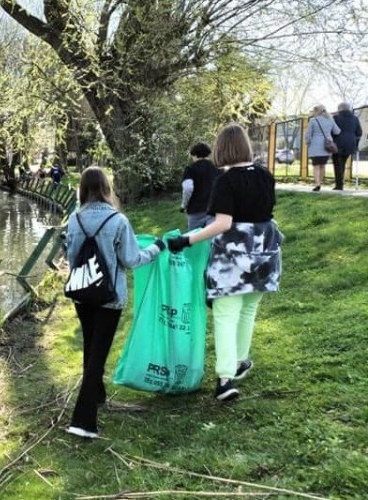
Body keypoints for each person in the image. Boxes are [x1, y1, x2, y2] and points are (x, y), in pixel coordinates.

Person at [168, 123, 283, 402]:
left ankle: (225, 379)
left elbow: (223, 223)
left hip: (233, 258)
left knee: (226, 314)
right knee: (248, 310)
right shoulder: (265, 175)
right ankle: (239, 362)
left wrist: (187, 240)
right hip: (265, 254)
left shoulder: (226, 181)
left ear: (221, 149)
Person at [61, 167, 165, 439]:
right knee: (98, 355)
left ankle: (97, 395)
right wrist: (156, 248)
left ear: (82, 189)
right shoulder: (118, 221)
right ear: (106, 187)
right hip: (109, 297)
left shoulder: (74, 219)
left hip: (82, 293)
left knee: (90, 345)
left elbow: (70, 257)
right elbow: (131, 260)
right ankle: (83, 421)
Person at [180, 142, 221, 230]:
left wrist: (183, 205)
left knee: (194, 237)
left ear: (195, 155)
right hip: (214, 210)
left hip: (196, 211)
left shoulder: (190, 169)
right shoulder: (217, 169)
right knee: (212, 236)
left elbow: (188, 188)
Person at [306, 104, 340, 192]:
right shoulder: (330, 119)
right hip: (327, 146)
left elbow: (308, 134)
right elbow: (337, 131)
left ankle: (317, 184)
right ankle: (320, 183)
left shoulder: (313, 120)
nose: (313, 113)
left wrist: (307, 142)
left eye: (314, 111)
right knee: (322, 165)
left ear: (317, 111)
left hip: (315, 146)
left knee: (316, 166)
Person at [331, 102, 363, 191]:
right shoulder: (355, 118)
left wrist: (331, 141)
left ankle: (339, 185)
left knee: (337, 164)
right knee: (343, 163)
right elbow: (359, 132)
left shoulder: (335, 118)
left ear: (339, 109)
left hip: (337, 143)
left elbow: (332, 131)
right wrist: (356, 143)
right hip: (350, 144)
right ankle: (340, 184)